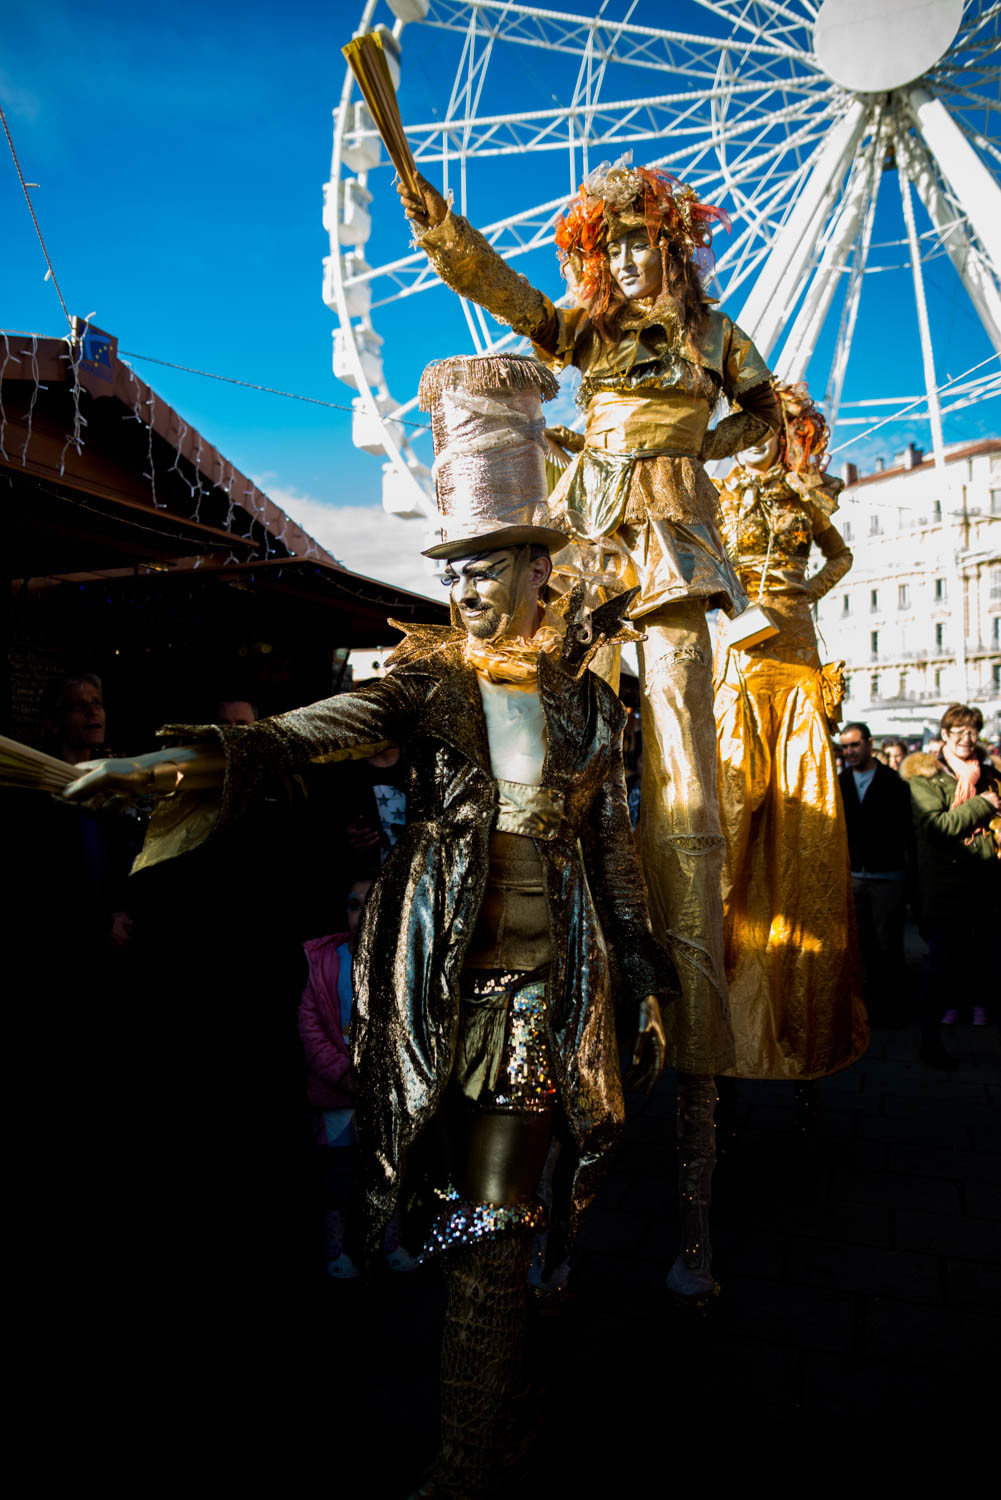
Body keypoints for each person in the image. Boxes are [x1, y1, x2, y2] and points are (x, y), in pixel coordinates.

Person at [65, 354, 674, 1495]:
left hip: (537, 1006)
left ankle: (470, 1448)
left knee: (485, 1227)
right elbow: (299, 733)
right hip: (427, 997)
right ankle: (507, 1369)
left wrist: (642, 964)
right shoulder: (424, 683)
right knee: (455, 1210)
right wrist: (152, 760)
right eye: (459, 569)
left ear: (541, 567)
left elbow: (611, 850)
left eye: (491, 567)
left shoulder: (593, 702)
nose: (471, 590)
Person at [399, 152, 781, 1302]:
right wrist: (433, 222)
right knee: (540, 699)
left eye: (641, 242)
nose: (625, 259)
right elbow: (507, 298)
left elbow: (762, 411)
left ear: (673, 243)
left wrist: (679, 456)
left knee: (678, 732)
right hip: (586, 534)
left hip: (666, 546)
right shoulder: (585, 331)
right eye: (608, 245)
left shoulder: (715, 341)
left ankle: (694, 1220)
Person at [713, 382, 868, 1101]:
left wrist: (803, 595)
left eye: (784, 429)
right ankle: (719, 1007)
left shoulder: (808, 497)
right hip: (744, 655)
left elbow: (838, 557)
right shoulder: (722, 491)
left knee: (805, 817)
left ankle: (804, 1009)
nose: (776, 440)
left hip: (798, 654)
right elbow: (696, 557)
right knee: (733, 807)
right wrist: (730, 598)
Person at [901, 704, 1001, 1068]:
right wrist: (982, 805)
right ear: (943, 735)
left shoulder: (987, 773)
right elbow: (935, 827)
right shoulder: (924, 777)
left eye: (972, 731)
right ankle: (930, 1042)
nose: (965, 739)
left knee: (988, 965)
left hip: (986, 885)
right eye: (957, 731)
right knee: (940, 968)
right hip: (944, 889)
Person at [839, 722, 913, 1023]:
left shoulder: (893, 782)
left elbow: (906, 829)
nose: (849, 752)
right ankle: (866, 1004)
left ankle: (893, 1005)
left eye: (854, 745)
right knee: (861, 942)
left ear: (869, 744)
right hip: (855, 874)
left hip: (886, 874)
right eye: (845, 747)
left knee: (888, 943)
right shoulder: (838, 782)